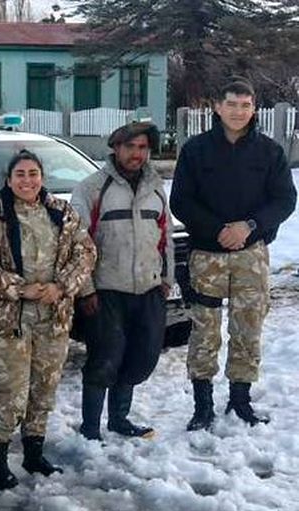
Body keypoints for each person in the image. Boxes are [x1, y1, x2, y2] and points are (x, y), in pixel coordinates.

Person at [170, 79, 296, 431]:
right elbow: (180, 200)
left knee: (247, 327)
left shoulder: (269, 152)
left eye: (245, 105)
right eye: (232, 104)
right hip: (207, 256)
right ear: (217, 107)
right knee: (204, 330)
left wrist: (249, 227)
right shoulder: (196, 150)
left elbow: (285, 199)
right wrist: (218, 231)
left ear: (254, 108)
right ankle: (202, 405)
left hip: (251, 255)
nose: (238, 111)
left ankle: (240, 401)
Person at [0, 149, 96, 490]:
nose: (27, 180)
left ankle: (34, 452)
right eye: (20, 174)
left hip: (52, 318)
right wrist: (20, 288)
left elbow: (86, 253)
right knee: (9, 390)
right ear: (8, 180)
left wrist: (61, 287)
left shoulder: (60, 212)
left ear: (42, 177)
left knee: (44, 387)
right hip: (9, 321)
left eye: (33, 173)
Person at [70, 122, 174, 441]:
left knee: (141, 357)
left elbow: (165, 236)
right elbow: (77, 242)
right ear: (116, 148)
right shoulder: (91, 188)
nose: (137, 154)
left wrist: (166, 279)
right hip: (106, 292)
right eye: (130, 147)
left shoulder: (155, 188)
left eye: (143, 148)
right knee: (105, 359)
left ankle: (119, 419)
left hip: (148, 289)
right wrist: (86, 289)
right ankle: (90, 429)